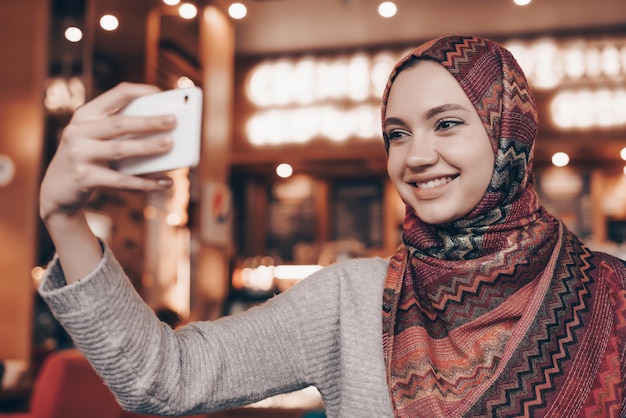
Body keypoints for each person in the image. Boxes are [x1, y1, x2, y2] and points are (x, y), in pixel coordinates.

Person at [37, 35, 626, 418]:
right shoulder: (351, 300)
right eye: (397, 133)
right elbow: (161, 377)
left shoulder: (611, 292)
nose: (415, 156)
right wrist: (63, 217)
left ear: (509, 134)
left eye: (446, 124)